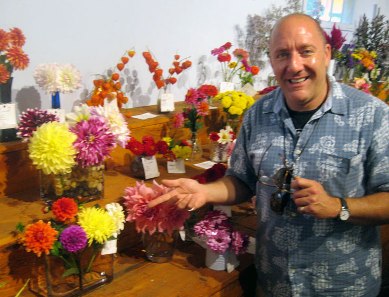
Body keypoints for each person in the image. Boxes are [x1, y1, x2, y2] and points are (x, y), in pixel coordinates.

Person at [148, 13, 389, 296]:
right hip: (274, 283)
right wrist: (204, 192)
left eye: (305, 51)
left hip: (344, 285)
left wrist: (339, 207)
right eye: (282, 54)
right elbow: (241, 180)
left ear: (326, 54)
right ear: (272, 61)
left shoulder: (372, 115)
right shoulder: (257, 115)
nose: (294, 65)